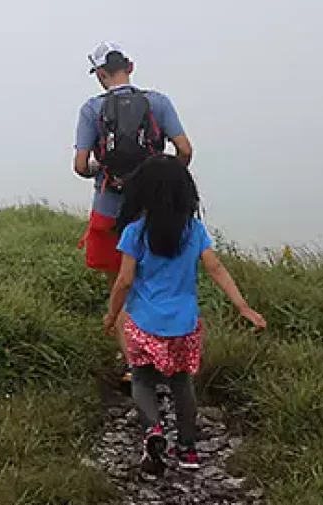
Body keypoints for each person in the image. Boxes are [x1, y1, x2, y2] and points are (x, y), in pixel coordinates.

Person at [102, 155, 266, 474]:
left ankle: (154, 430)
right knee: (181, 384)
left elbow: (123, 281)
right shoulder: (194, 230)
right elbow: (215, 267)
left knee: (142, 379)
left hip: (145, 324)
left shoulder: (135, 233)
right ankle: (188, 450)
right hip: (184, 326)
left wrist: (111, 316)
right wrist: (243, 307)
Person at [74, 42, 192, 384]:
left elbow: (81, 166)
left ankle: (135, 366)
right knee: (157, 282)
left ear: (99, 74)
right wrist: (162, 179)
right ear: (131, 66)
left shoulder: (91, 109)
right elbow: (184, 149)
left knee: (120, 286)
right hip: (155, 211)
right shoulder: (157, 102)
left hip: (109, 210)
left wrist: (102, 165)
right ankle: (168, 357)